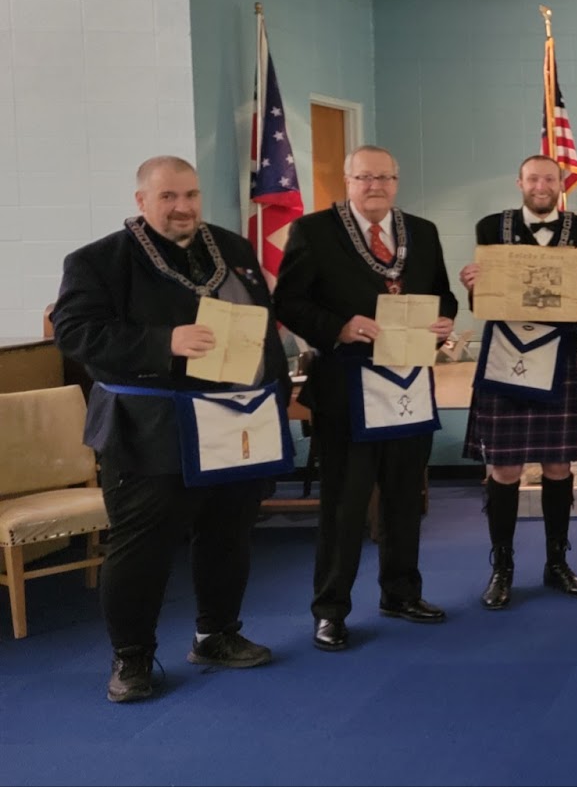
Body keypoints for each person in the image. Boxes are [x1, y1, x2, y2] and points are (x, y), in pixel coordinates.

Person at [53, 155, 288, 702]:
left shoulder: (231, 248)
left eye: (191, 195)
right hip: (148, 423)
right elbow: (76, 334)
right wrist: (165, 342)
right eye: (168, 197)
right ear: (141, 200)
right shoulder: (98, 261)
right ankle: (131, 659)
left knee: (228, 535)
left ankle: (217, 635)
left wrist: (275, 394)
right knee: (142, 546)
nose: (182, 207)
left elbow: (261, 326)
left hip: (235, 418)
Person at [275, 145, 458, 651]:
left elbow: (442, 293)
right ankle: (330, 609)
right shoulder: (314, 231)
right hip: (347, 387)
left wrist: (444, 321)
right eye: (364, 177)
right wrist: (338, 326)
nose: (375, 186)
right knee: (345, 504)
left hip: (407, 384)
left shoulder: (422, 231)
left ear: (396, 181)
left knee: (404, 498)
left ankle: (401, 593)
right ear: (347, 180)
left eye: (384, 177)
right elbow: (287, 300)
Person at [457, 154, 577, 608]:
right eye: (533, 178)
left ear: (560, 183)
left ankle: (556, 563)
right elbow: (484, 296)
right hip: (504, 356)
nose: (542, 185)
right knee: (503, 469)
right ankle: (501, 568)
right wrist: (472, 285)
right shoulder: (490, 227)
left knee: (558, 467)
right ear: (519, 181)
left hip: (557, 354)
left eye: (550, 178)